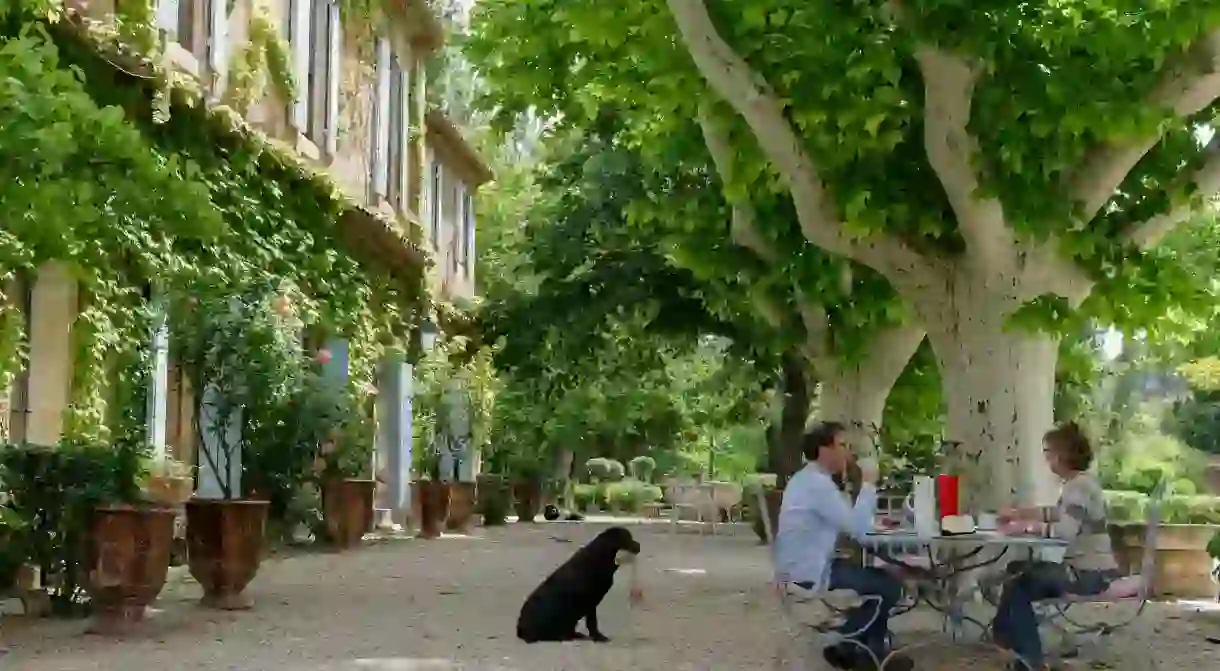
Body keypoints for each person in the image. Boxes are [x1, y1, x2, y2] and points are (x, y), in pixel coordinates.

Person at [774, 422, 914, 671]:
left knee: (883, 579)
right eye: (842, 445)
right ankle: (849, 647)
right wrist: (869, 484)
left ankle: (862, 653)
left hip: (800, 567)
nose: (848, 453)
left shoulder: (807, 480)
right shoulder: (817, 485)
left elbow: (848, 522)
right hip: (810, 574)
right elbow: (858, 530)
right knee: (890, 585)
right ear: (824, 450)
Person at [992, 422, 1119, 670]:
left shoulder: (1079, 487)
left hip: (1088, 575)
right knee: (1016, 570)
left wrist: (1025, 527)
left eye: (1048, 452)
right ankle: (1007, 643)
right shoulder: (1079, 484)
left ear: (1062, 455)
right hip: (1086, 571)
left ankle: (1029, 658)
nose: (1046, 458)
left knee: (1017, 585)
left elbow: (1065, 530)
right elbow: (1056, 513)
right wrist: (1021, 513)